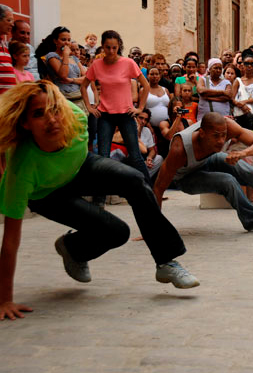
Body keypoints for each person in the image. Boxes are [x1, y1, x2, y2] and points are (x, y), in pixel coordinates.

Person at [0, 82, 199, 320]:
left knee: (135, 180)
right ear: (25, 123)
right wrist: (5, 300)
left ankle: (166, 262)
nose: (52, 119)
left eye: (54, 109)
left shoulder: (75, 118)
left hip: (79, 168)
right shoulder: (21, 169)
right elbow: (10, 240)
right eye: (38, 114)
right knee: (117, 232)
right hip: (48, 196)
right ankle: (73, 249)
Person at [81, 30, 151, 183]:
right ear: (102, 47)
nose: (111, 51)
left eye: (114, 47)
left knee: (136, 156)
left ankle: (151, 192)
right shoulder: (97, 65)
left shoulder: (128, 63)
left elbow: (145, 86)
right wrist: (89, 107)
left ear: (119, 46)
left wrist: (140, 108)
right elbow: (84, 85)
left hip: (126, 114)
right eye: (107, 47)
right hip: (105, 115)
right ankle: (100, 199)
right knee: (103, 157)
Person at [38, 26, 88, 113]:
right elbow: (63, 75)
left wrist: (72, 80)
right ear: (55, 41)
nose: (67, 43)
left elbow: (87, 78)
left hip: (79, 98)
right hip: (64, 99)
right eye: (63, 39)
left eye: (69, 40)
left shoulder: (74, 58)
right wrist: (65, 55)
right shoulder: (52, 56)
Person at [231, 50, 253, 118]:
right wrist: (241, 105)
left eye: (252, 64)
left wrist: (245, 101)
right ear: (242, 64)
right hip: (241, 112)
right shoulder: (237, 81)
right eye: (246, 63)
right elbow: (232, 98)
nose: (249, 66)